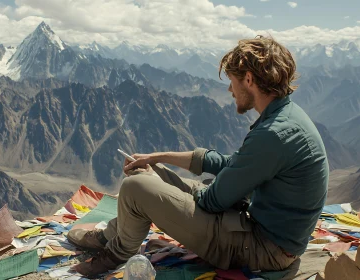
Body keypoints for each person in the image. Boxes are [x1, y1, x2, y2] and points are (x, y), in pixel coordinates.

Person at [68, 35, 329, 278]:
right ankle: (110, 235)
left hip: (262, 250)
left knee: (137, 186)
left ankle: (114, 254)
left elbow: (213, 200)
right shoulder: (285, 118)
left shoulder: (273, 134)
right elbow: (234, 165)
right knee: (152, 173)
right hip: (260, 232)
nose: (230, 90)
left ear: (248, 79)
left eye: (232, 80)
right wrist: (158, 159)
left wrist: (169, 191)